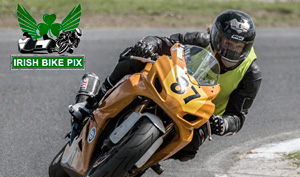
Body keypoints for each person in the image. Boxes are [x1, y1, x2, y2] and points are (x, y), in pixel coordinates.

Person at [70, 10, 262, 161]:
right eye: (228, 43)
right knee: (136, 56)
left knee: (188, 151)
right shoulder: (200, 41)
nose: (233, 51)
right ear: (216, 38)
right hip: (168, 88)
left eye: (239, 47)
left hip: (198, 116)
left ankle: (144, 159)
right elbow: (162, 41)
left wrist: (223, 124)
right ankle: (92, 103)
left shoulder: (251, 73)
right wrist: (147, 45)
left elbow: (237, 116)